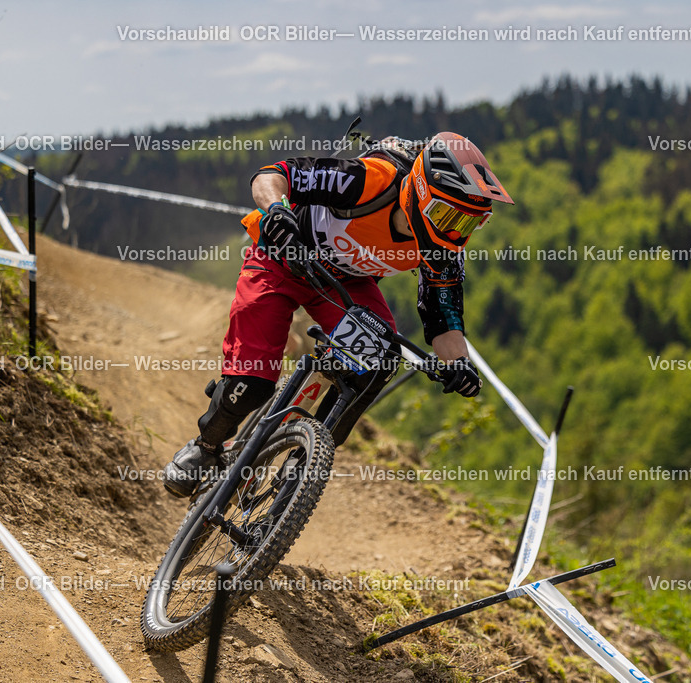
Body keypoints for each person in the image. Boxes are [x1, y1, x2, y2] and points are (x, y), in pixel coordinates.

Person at [162, 131, 514, 497]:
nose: (453, 231)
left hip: (343, 284)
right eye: (445, 214)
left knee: (380, 357)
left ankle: (306, 462)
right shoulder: (370, 180)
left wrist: (458, 365)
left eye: (469, 223)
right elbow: (271, 176)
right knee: (250, 385)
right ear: (421, 192)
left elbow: (444, 322)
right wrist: (277, 212)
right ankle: (206, 447)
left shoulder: (444, 249)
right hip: (283, 258)